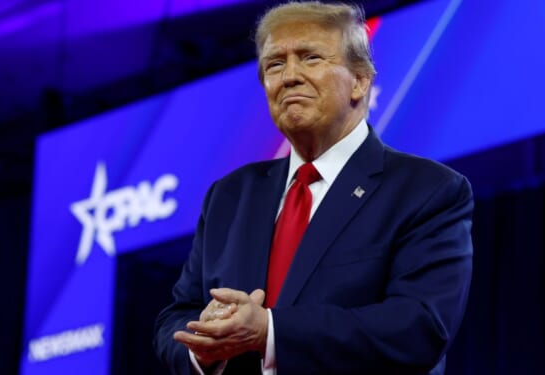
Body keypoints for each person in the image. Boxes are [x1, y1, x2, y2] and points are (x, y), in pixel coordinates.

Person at [153, 2, 473, 374]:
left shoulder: (427, 191)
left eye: (310, 58)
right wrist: (203, 347)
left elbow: (419, 327)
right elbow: (176, 318)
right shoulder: (230, 196)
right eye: (275, 64)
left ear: (360, 80)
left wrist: (269, 331)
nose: (289, 76)